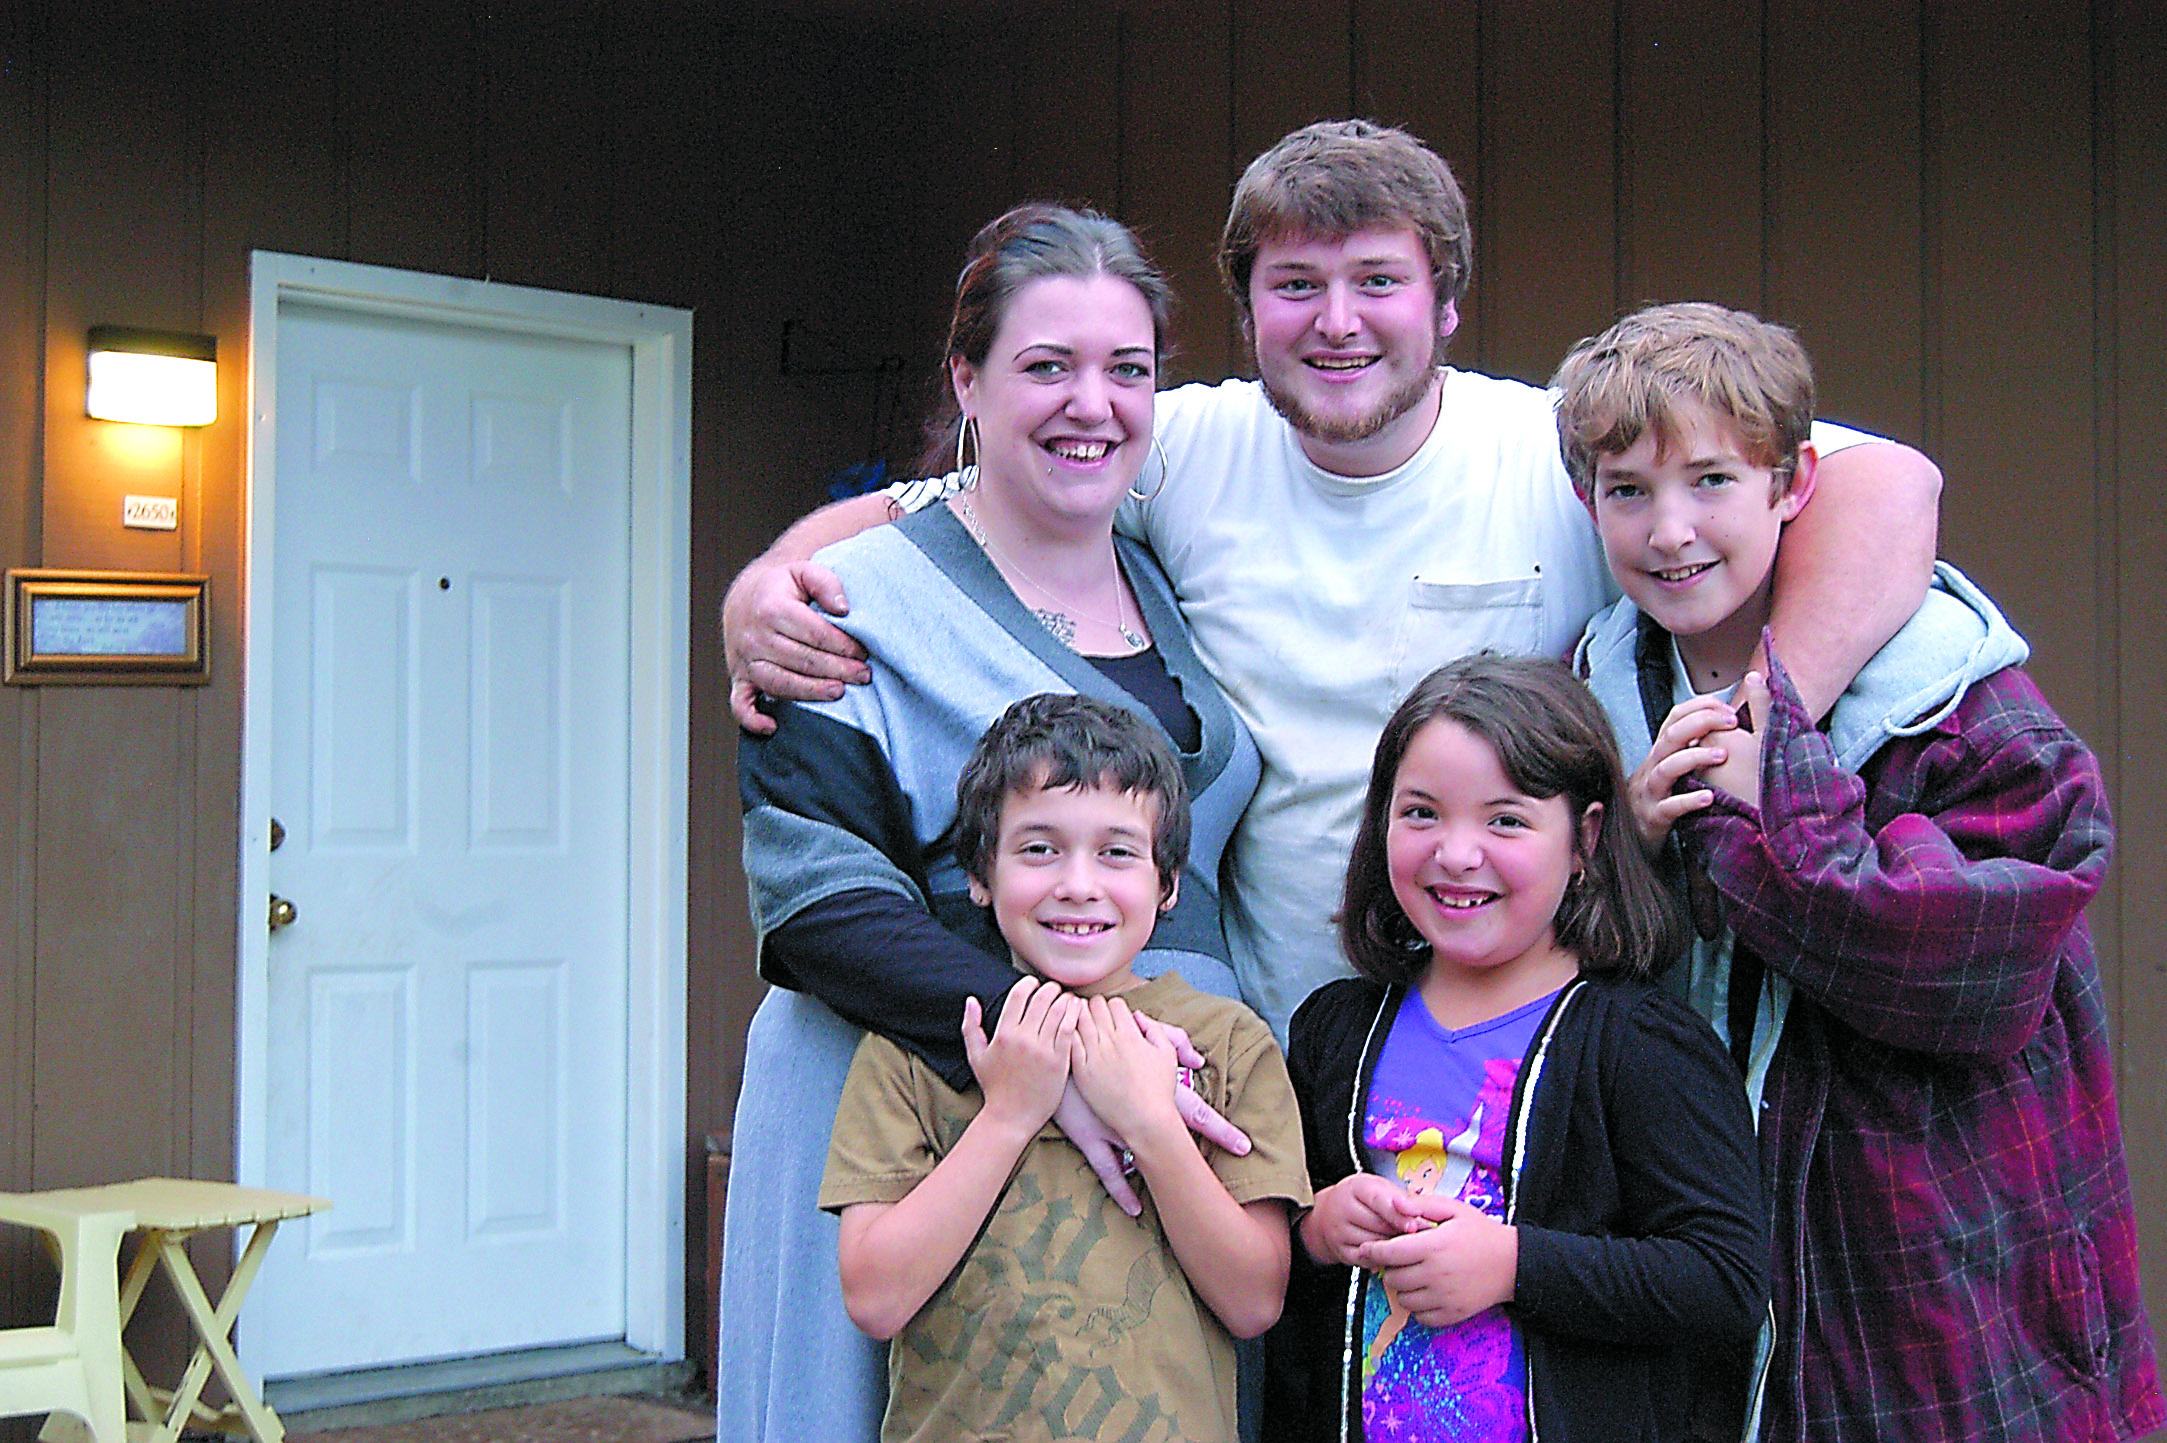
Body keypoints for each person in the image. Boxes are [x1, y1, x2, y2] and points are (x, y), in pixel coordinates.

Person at [721, 119, 1943, 1041]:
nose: (1336, 322)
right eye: (1295, 287)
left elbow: (1887, 484)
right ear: (1247, 317)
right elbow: (953, 499)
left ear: (1448, 302)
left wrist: (1765, 724)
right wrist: (765, 586)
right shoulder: (1181, 443)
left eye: (1377, 281)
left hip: (1525, 1040)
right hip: (1271, 1043)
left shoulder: (1562, 449)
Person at [1560, 301, 2163, 1443]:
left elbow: (1972, 969)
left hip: (1943, 1272)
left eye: (1711, 483)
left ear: (1792, 485)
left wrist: (1754, 808)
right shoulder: (1590, 702)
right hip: (1705, 1278)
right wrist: (1626, 851)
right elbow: (1547, 964)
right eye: (1627, 492)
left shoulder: (1961, 704)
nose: (1671, 528)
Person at [718, 204, 1263, 1443]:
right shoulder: (849, 606)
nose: (1094, 402)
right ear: (967, 380)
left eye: (1129, 370)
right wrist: (1064, 1051)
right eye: (1046, 366)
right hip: (894, 1100)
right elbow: (817, 902)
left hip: (1154, 1113)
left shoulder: (1161, 576)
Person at [1268, 654, 1767, 1442]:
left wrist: (1512, 1264)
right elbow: (1260, 1263)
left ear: (1584, 838)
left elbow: (1725, 1279)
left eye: (1505, 819)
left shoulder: (1641, 1045)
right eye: (1421, 812)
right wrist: (1315, 1230)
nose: (1457, 853)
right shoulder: (1334, 1032)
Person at [821, 693, 1311, 1442]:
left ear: (1167, 883)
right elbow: (876, 1297)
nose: (1077, 882)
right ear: (980, 875)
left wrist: (1149, 1120)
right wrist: (1008, 1114)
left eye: (1116, 851)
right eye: (1039, 848)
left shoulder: (1225, 1041)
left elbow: (1253, 1301)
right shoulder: (914, 1049)